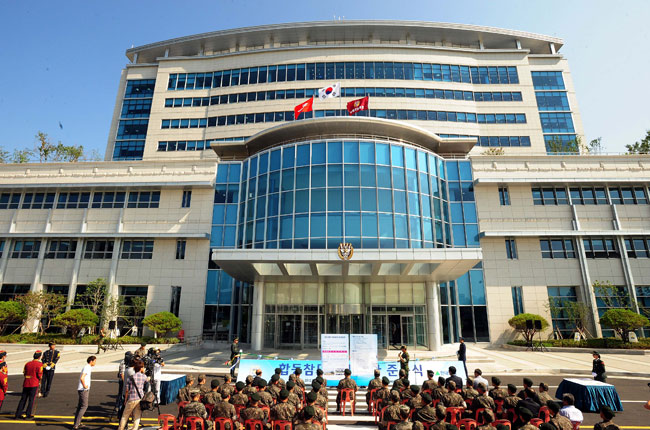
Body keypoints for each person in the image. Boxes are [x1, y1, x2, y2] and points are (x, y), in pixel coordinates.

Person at [118, 358, 147, 430]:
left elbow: (127, 390)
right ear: (140, 368)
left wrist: (125, 400)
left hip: (131, 398)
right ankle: (135, 428)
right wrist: (144, 373)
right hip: (139, 398)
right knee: (137, 416)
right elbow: (146, 382)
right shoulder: (144, 376)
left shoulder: (131, 378)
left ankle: (121, 428)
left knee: (125, 416)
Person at [15, 350, 43, 420]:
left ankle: (18, 414)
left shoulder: (27, 363)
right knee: (31, 400)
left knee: (23, 399)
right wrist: (40, 381)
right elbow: (40, 375)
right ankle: (28, 414)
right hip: (34, 383)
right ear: (39, 357)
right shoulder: (39, 364)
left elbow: (24, 373)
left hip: (26, 382)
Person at [73, 355, 97, 430]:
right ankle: (76, 425)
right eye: (95, 361)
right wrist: (85, 386)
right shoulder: (87, 367)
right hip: (83, 390)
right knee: (84, 406)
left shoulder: (88, 367)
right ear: (91, 361)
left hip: (82, 389)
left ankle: (77, 423)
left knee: (80, 406)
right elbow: (82, 378)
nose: (95, 363)